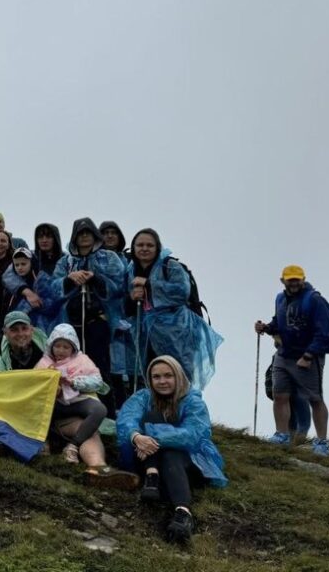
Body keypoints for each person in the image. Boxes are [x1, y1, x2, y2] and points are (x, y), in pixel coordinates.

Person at [117, 356, 228, 543]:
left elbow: (194, 433)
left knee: (171, 452)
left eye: (168, 376)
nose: (162, 381)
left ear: (178, 376)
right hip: (143, 457)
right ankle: (152, 475)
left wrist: (154, 440)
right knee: (149, 417)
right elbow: (126, 418)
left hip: (189, 461)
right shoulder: (143, 397)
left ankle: (183, 512)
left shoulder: (193, 402)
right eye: (156, 377)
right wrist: (136, 437)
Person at [127, 229, 223, 393]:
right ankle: (157, 412)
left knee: (178, 371)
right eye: (140, 245)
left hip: (175, 331)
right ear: (133, 247)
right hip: (145, 332)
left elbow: (181, 291)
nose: (144, 248)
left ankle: (185, 410)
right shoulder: (131, 269)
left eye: (149, 245)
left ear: (157, 247)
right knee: (152, 372)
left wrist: (149, 285)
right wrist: (132, 296)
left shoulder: (170, 266)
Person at [46, 218, 126, 416]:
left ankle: (107, 414)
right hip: (71, 326)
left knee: (100, 367)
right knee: (71, 367)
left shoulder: (109, 258)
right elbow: (52, 290)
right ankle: (76, 410)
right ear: (74, 237)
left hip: (98, 322)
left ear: (94, 236)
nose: (84, 237)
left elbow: (119, 285)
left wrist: (95, 278)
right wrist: (69, 279)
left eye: (88, 233)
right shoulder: (66, 261)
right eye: (80, 234)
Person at [255, 265, 329, 456]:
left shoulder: (314, 300)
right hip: (283, 355)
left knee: (314, 399)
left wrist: (308, 356)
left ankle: (321, 442)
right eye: (290, 279)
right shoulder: (280, 299)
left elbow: (324, 332)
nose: (294, 282)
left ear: (303, 279)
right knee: (280, 395)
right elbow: (280, 322)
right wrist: (267, 328)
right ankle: (282, 435)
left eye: (297, 279)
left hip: (307, 358)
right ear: (283, 281)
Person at [35, 324, 110, 464]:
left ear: (73, 348)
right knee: (36, 407)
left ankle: (73, 446)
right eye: (57, 346)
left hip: (76, 401)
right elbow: (35, 385)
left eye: (66, 347)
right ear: (51, 345)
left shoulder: (82, 360)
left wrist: (73, 382)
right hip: (53, 405)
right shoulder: (44, 362)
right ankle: (42, 441)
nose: (61, 350)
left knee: (100, 409)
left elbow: (97, 382)